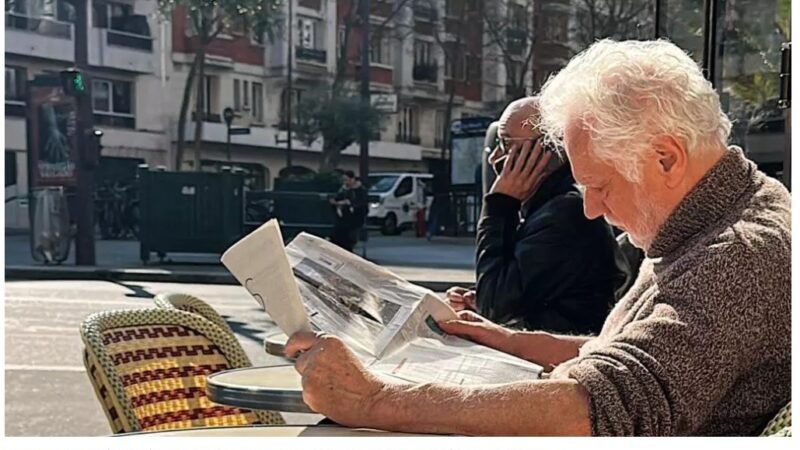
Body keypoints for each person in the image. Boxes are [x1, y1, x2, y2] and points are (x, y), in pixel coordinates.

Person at [285, 39, 791, 436]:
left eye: (598, 185)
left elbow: (599, 411)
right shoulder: (713, 218)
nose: (592, 207)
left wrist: (372, 400)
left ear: (666, 158)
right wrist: (520, 343)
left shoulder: (739, 255)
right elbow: (664, 360)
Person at [446, 97, 627, 334]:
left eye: (506, 144)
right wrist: (479, 297)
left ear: (544, 149)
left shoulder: (565, 214)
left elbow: (496, 307)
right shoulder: (551, 205)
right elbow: (519, 291)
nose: (494, 158)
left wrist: (500, 205)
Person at [329, 171, 367, 252]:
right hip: (343, 216)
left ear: (352, 179)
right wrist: (335, 202)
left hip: (356, 217)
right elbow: (337, 198)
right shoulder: (343, 189)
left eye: (346, 180)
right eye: (344, 180)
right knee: (338, 229)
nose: (345, 182)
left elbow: (362, 204)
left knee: (348, 231)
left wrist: (350, 204)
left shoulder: (361, 190)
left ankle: (347, 247)